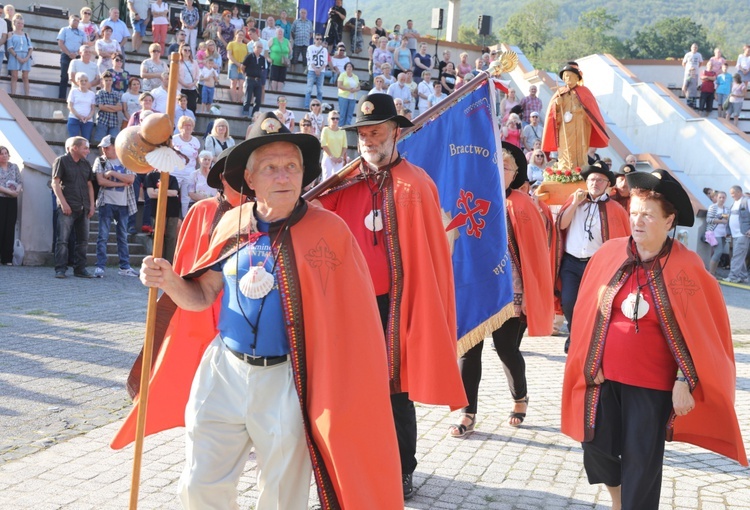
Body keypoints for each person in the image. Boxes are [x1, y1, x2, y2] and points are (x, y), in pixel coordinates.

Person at [136, 113, 403, 509]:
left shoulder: (329, 231)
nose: (283, 176)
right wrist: (168, 281)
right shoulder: (232, 223)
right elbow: (203, 295)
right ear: (250, 179)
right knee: (198, 484)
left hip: (287, 381)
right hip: (222, 372)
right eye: (271, 168)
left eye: (292, 166)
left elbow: (354, 319)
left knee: (282, 496)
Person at [561, 169, 748, 510]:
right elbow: (588, 313)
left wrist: (683, 380)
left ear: (669, 219)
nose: (637, 221)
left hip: (652, 387)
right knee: (596, 446)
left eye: (647, 215)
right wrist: (591, 360)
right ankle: (618, 502)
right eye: (633, 213)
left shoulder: (688, 267)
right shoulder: (609, 254)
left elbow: (704, 333)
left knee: (642, 462)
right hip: (604, 379)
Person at [316, 94, 467, 499]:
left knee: (395, 391)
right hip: (350, 307)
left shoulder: (416, 184)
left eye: (376, 132)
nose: (368, 140)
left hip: (397, 306)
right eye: (363, 134)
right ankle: (349, 464)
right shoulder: (341, 183)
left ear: (395, 133)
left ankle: (402, 469)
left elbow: (429, 255)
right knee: (348, 388)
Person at [451, 143, 553, 438]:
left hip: (511, 291)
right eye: (496, 165)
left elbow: (534, 254)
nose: (499, 172)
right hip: (474, 289)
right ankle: (467, 412)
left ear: (515, 175)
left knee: (506, 349)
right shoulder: (471, 198)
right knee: (469, 349)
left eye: (505, 167)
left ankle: (520, 398)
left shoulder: (521, 205)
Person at [555, 161, 630, 353]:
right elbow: (562, 225)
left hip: (596, 264)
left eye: (599, 180)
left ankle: (583, 339)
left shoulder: (615, 209)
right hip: (571, 262)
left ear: (608, 185)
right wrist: (574, 204)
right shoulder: (575, 200)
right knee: (569, 302)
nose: (594, 183)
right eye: (591, 179)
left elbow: (622, 240)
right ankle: (574, 332)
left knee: (592, 304)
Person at [542, 62, 609, 171]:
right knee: (565, 149)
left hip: (580, 127)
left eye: (570, 75)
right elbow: (554, 116)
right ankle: (565, 170)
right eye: (565, 76)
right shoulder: (560, 92)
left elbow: (591, 111)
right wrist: (557, 106)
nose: (567, 78)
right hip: (565, 128)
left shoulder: (584, 92)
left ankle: (579, 170)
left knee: (580, 148)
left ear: (577, 77)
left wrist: (579, 111)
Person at [92, 135, 138, 278]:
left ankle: (124, 267)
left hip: (123, 204)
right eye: (103, 147)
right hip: (107, 203)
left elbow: (131, 179)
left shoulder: (126, 159)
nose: (104, 150)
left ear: (114, 146)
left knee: (122, 236)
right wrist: (121, 183)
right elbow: (101, 181)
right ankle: (100, 266)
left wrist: (111, 173)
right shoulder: (99, 160)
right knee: (103, 236)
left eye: (107, 147)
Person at [52, 136, 95, 279]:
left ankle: (80, 269)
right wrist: (63, 203)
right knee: (62, 240)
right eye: (85, 148)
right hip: (67, 207)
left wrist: (92, 206)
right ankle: (60, 269)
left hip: (84, 207)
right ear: (74, 148)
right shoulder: (61, 161)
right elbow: (55, 183)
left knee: (83, 241)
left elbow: (89, 185)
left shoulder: (86, 164)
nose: (88, 151)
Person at [144, 167, 181, 263]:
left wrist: (158, 190)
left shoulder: (172, 178)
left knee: (171, 237)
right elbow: (151, 194)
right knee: (158, 236)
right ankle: (157, 260)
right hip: (157, 210)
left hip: (172, 210)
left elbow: (174, 192)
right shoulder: (151, 176)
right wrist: (165, 192)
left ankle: (170, 262)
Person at [172, 115, 201, 217]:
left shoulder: (195, 141)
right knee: (173, 195)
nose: (188, 127)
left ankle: (185, 219)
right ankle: (173, 218)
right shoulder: (174, 139)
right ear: (180, 126)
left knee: (186, 198)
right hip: (175, 171)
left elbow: (197, 157)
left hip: (189, 172)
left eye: (190, 125)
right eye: (186, 125)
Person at [0, 146, 22, 265]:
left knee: (9, 228)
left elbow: (20, 181)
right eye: (2, 154)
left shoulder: (14, 167)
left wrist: (17, 191)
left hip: (12, 200)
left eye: (6, 153)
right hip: (1, 199)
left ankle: (7, 258)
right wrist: (9, 192)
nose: (4, 155)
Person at [724, 185, 750, 283]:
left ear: (739, 192)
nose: (731, 195)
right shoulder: (735, 202)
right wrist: (728, 232)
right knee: (740, 256)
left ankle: (733, 277)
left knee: (737, 256)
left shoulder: (746, 201)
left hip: (743, 234)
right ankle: (743, 276)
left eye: (733, 193)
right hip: (735, 234)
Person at [57, 14, 86, 100]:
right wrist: (69, 54)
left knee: (79, 78)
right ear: (69, 20)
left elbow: (84, 45)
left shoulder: (82, 33)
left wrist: (76, 54)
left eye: (78, 20)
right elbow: (60, 43)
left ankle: (78, 98)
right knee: (64, 77)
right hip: (65, 56)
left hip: (78, 57)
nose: (76, 22)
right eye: (74, 20)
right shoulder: (64, 30)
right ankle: (61, 98)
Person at [7, 15, 32, 96]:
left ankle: (27, 95)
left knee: (25, 77)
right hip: (15, 56)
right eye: (18, 23)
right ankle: (13, 94)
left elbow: (30, 47)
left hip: (25, 56)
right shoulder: (10, 34)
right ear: (14, 23)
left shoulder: (26, 34)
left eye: (22, 23)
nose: (20, 25)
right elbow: (10, 47)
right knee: (14, 76)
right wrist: (17, 56)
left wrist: (27, 57)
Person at [94, 72, 122, 142]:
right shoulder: (100, 93)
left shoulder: (116, 94)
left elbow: (119, 108)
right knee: (100, 141)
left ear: (112, 81)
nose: (108, 82)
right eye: (106, 80)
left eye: (110, 80)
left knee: (114, 141)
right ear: (102, 81)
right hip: (102, 120)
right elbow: (101, 107)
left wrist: (107, 106)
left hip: (114, 121)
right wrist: (113, 108)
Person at [706, 190, 729, 277]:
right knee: (718, 252)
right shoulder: (713, 207)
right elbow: (708, 220)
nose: (722, 199)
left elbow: (727, 221)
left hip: (723, 234)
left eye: (723, 197)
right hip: (713, 233)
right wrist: (721, 221)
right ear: (716, 198)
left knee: (719, 253)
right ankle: (710, 273)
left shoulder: (726, 209)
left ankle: (713, 273)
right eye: (720, 197)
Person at [241, 41, 267, 117]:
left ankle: (255, 115)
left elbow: (262, 69)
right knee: (248, 98)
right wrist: (246, 74)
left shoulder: (262, 58)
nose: (260, 49)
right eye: (258, 47)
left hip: (258, 80)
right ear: (254, 47)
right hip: (250, 79)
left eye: (261, 47)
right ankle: (245, 114)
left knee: (258, 99)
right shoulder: (249, 56)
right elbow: (243, 66)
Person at [67, 72, 96, 140]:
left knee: (86, 141)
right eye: (81, 80)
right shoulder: (73, 91)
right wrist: (79, 116)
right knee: (73, 141)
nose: (84, 82)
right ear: (77, 82)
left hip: (87, 121)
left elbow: (93, 109)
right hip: (74, 118)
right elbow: (70, 106)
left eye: (85, 81)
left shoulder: (92, 94)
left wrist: (88, 117)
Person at [319, 110, 347, 179]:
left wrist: (341, 157)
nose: (335, 120)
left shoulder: (343, 130)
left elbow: (345, 146)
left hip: (339, 158)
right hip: (328, 157)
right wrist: (331, 156)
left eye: (337, 118)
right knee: (326, 180)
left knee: (337, 181)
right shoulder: (325, 129)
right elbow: (323, 144)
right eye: (333, 118)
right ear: (328, 119)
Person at [304, 34, 328, 109]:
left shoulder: (324, 49)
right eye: (317, 39)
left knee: (320, 90)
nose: (319, 41)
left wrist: (319, 70)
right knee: (309, 89)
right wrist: (315, 69)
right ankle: (307, 106)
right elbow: (310, 59)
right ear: (314, 40)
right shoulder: (310, 48)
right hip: (312, 70)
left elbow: (325, 62)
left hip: (321, 71)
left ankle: (319, 107)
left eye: (320, 39)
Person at [178, 43, 200, 113]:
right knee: (180, 107)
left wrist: (193, 83)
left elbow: (197, 75)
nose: (187, 52)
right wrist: (184, 84)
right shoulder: (178, 62)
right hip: (181, 87)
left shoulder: (194, 62)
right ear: (181, 50)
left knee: (192, 106)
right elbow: (176, 75)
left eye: (189, 50)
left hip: (192, 88)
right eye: (185, 50)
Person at [226, 30, 247, 103]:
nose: (240, 36)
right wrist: (238, 64)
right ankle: (234, 100)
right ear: (236, 35)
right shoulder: (231, 44)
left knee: (242, 83)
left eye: (242, 35)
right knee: (233, 83)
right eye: (239, 34)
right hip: (233, 64)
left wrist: (243, 65)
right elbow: (229, 55)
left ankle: (239, 100)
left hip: (243, 65)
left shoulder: (245, 45)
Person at [268, 27, 291, 92]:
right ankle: (273, 93)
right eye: (279, 32)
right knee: (274, 78)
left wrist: (287, 58)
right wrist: (268, 58)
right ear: (276, 33)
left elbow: (290, 51)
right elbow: (266, 50)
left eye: (281, 32)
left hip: (284, 64)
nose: (280, 33)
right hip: (274, 63)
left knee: (281, 79)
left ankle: (279, 92)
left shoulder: (286, 41)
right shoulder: (272, 40)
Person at [290, 8, 312, 72]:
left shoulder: (309, 22)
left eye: (304, 13)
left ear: (306, 14)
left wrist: (307, 38)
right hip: (297, 43)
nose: (303, 14)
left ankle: (305, 74)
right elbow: (292, 31)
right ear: (300, 14)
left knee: (306, 60)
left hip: (306, 44)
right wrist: (295, 39)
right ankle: (292, 73)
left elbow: (311, 33)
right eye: (302, 13)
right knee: (294, 59)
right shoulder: (296, 22)